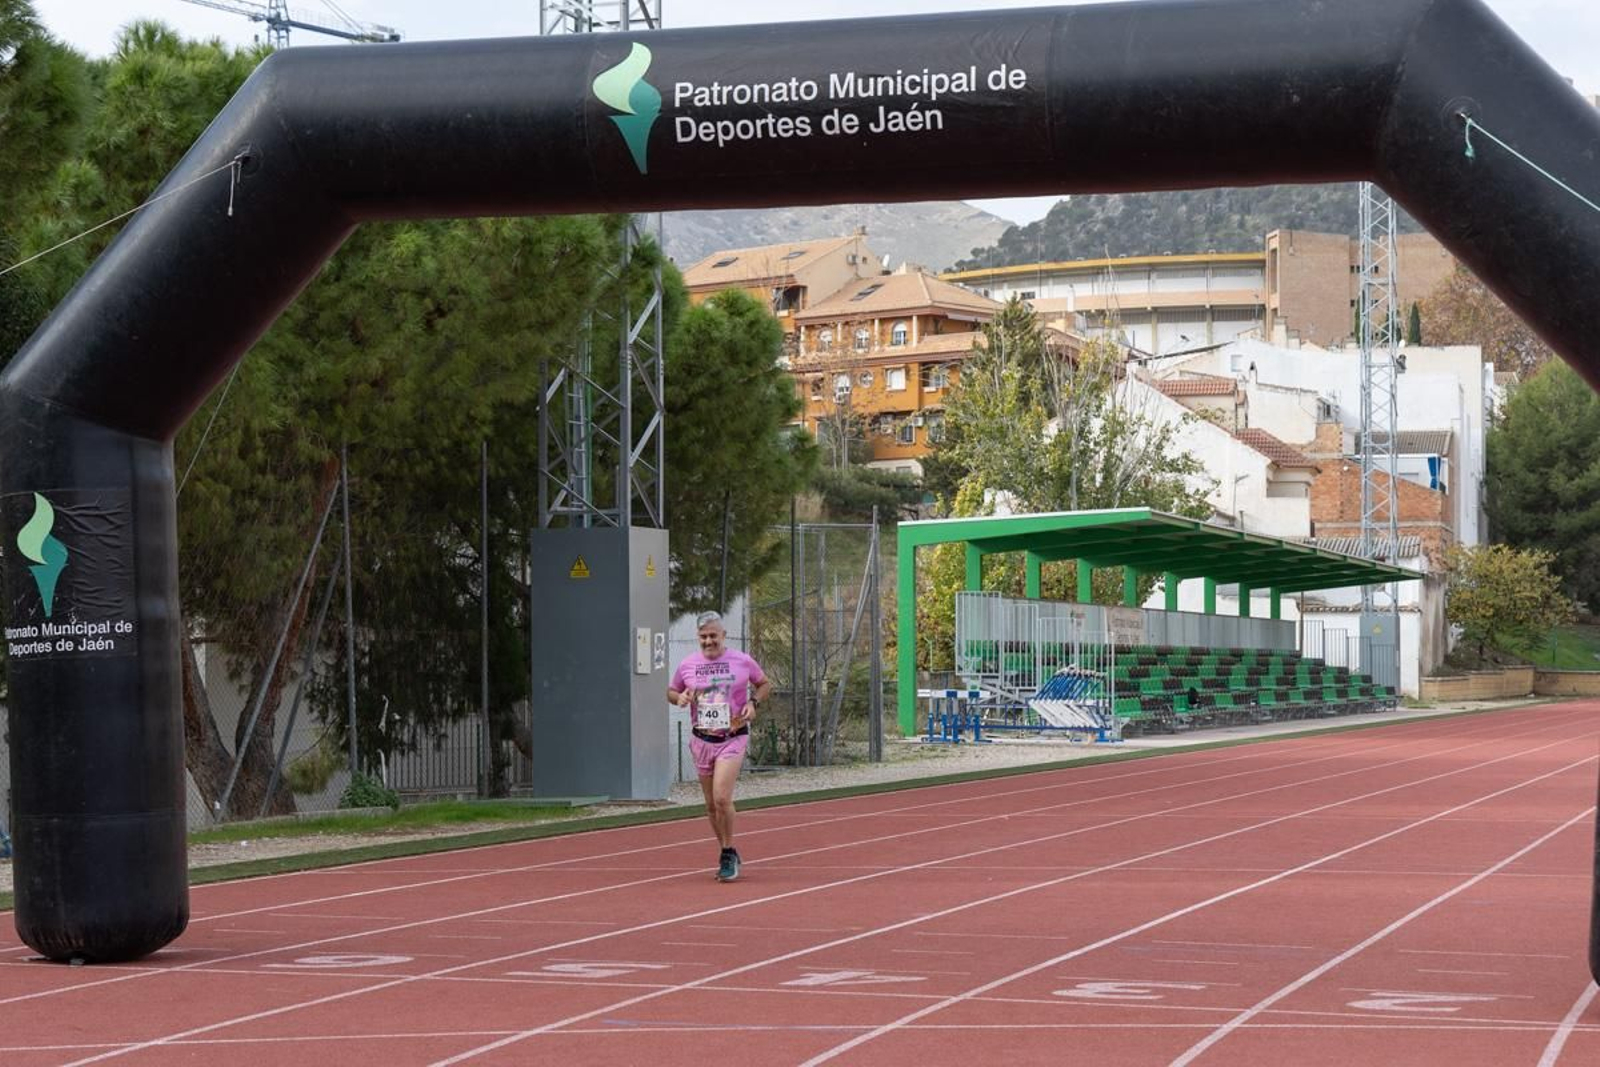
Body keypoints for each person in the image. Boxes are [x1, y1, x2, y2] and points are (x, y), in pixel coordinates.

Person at [668, 610, 770, 882]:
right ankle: (727, 849)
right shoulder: (688, 664)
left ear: (723, 636)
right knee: (712, 805)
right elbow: (672, 691)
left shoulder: (742, 661)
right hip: (702, 739)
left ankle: (727, 851)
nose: (708, 641)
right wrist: (679, 698)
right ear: (697, 638)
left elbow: (763, 684)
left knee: (723, 798)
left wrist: (753, 703)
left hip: (732, 737)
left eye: (713, 636)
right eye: (703, 637)